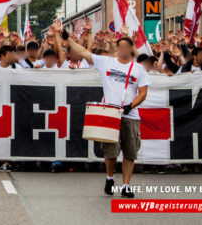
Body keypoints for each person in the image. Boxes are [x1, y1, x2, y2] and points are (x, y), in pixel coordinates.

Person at [58, 19, 149, 198]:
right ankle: (109, 177)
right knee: (111, 151)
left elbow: (143, 92)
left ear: (131, 49)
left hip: (130, 115)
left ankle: (126, 185)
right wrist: (67, 38)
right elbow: (83, 51)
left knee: (130, 152)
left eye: (125, 47)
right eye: (119, 46)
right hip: (109, 114)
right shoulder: (106, 62)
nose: (122, 50)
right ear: (117, 48)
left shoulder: (139, 69)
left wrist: (131, 106)